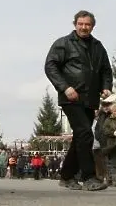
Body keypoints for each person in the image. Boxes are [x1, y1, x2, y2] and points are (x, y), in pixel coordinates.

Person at [44, 10, 112, 191]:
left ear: (92, 26)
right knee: (85, 133)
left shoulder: (98, 46)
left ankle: (66, 176)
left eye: (87, 24)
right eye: (81, 24)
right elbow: (50, 66)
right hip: (70, 97)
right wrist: (65, 87)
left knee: (80, 138)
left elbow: (106, 70)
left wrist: (106, 87)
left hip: (90, 99)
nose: (84, 27)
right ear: (75, 24)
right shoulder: (63, 44)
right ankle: (89, 177)